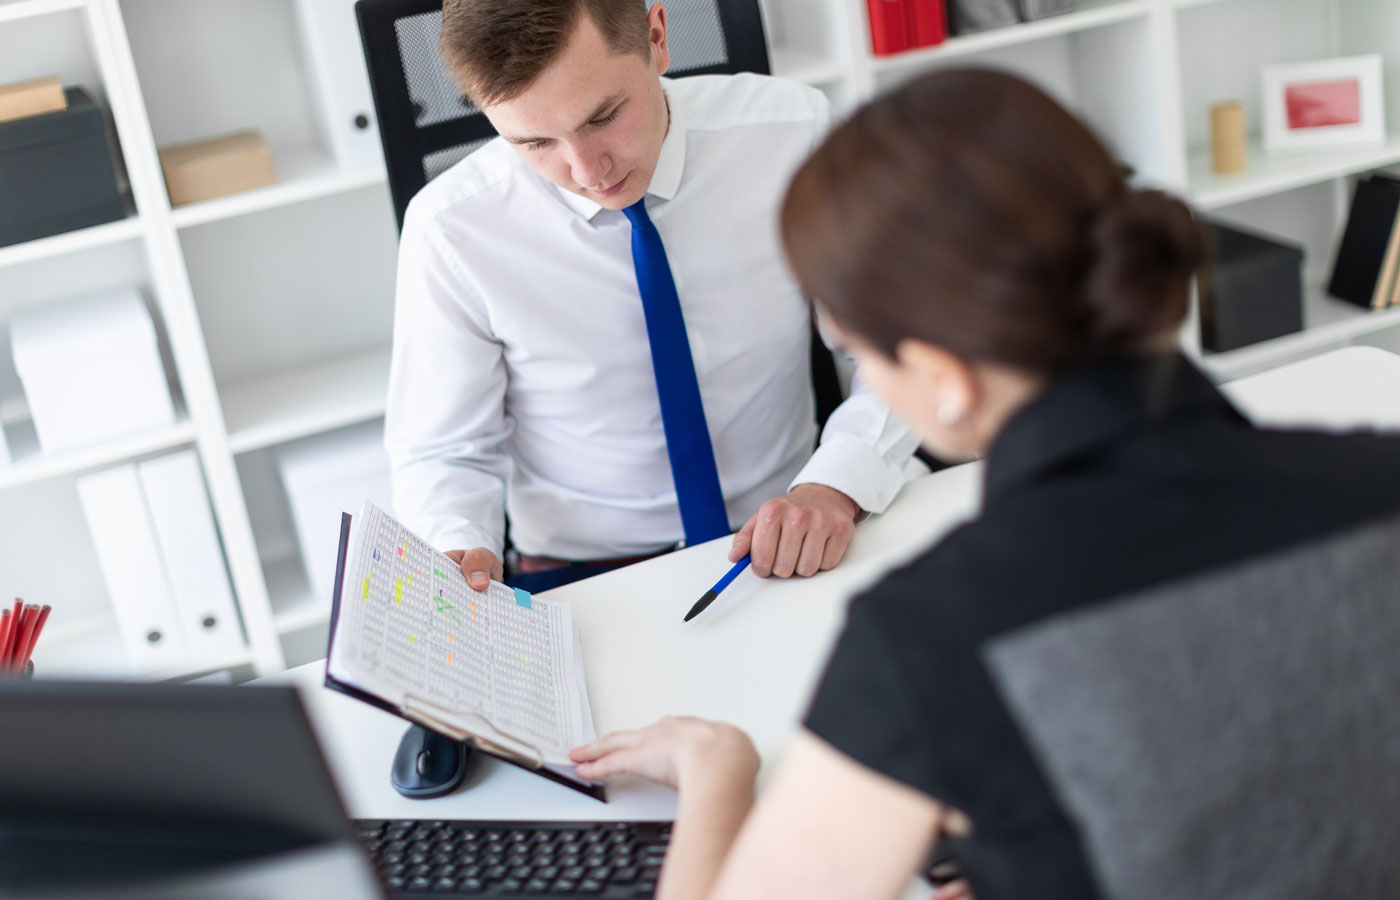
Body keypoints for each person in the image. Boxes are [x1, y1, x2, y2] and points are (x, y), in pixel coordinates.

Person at [568, 68, 1400, 898]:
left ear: (942, 375)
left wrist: (716, 772)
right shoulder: (1379, 477)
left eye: (867, 355)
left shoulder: (929, 639)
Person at [384, 0, 920, 594]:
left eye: (603, 116)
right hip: (582, 574)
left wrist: (837, 483)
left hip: (788, 527)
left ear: (657, 36)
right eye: (535, 142)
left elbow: (899, 342)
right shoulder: (452, 228)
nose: (587, 171)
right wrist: (458, 544)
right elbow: (445, 451)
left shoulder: (793, 133)